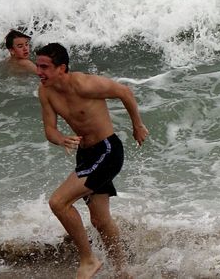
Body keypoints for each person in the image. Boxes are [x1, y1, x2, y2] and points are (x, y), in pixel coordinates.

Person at [35, 43, 149, 279]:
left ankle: (88, 259)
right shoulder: (45, 91)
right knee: (100, 220)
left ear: (61, 68)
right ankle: (122, 272)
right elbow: (49, 129)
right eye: (38, 66)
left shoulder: (83, 84)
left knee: (58, 202)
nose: (39, 71)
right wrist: (61, 139)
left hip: (107, 151)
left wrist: (137, 125)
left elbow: (124, 92)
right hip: (86, 155)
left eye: (44, 67)